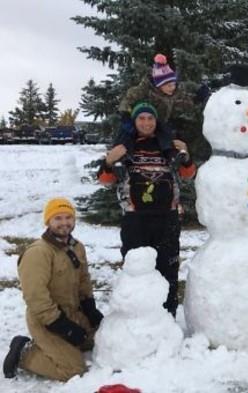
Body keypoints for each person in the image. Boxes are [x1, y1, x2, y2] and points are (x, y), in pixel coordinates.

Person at [98, 101, 196, 317]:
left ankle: (167, 316)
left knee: (168, 268)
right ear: (134, 122)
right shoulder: (124, 146)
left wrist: (186, 156)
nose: (146, 122)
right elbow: (105, 180)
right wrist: (108, 161)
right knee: (136, 268)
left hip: (167, 218)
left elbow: (189, 175)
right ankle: (137, 316)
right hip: (135, 220)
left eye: (150, 118)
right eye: (141, 118)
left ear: (155, 121)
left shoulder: (169, 146)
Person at [3, 198, 103, 381]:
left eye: (68, 217)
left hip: (73, 312)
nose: (64, 223)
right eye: (58, 218)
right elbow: (35, 297)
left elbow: (83, 279)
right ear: (48, 221)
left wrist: (90, 308)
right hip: (47, 320)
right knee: (73, 369)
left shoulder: (77, 247)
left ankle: (59, 346)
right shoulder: (39, 253)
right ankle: (24, 352)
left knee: (99, 342)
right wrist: (63, 327)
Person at [116, 53, 195, 153]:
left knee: (166, 134)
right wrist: (125, 114)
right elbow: (128, 99)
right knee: (127, 132)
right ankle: (122, 155)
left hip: (159, 122)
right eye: (169, 85)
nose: (172, 88)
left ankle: (170, 155)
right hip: (142, 119)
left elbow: (186, 101)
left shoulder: (175, 92)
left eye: (173, 84)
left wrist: (196, 100)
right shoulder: (145, 89)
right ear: (159, 85)